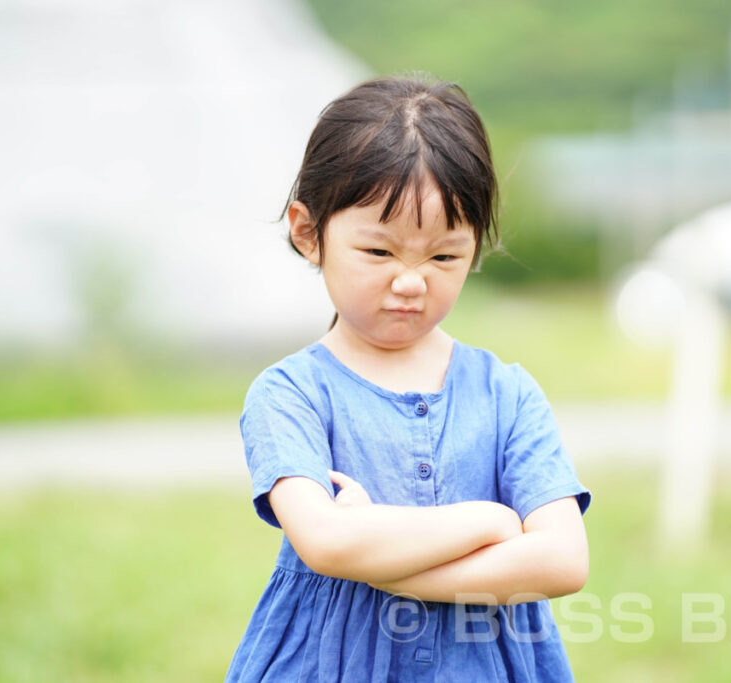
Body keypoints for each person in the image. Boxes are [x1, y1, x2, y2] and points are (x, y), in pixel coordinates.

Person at [225, 74, 591, 682]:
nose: (411, 280)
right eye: (379, 252)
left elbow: (562, 559)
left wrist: (383, 555)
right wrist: (492, 522)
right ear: (308, 232)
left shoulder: (505, 392)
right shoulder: (290, 394)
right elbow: (328, 544)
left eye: (444, 256)